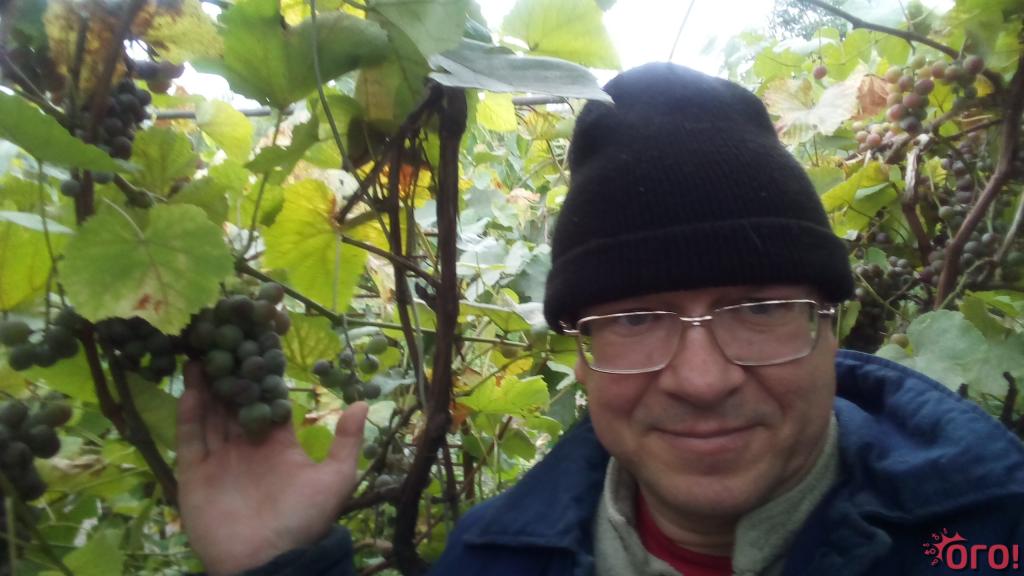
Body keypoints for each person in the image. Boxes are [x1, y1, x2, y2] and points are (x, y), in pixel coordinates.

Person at [177, 63, 1024, 576]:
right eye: (637, 320)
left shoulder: (995, 533)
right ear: (580, 356)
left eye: (761, 309)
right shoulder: (490, 559)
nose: (701, 380)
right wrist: (273, 567)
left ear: (833, 328)